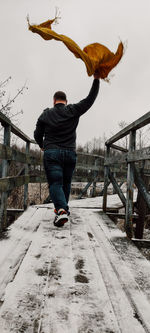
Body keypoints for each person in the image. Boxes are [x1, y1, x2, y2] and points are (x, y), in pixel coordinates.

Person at [34, 74, 100, 227]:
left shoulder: (45, 114)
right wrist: (96, 79)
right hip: (70, 153)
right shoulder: (73, 110)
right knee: (66, 183)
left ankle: (62, 210)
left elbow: (37, 134)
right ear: (66, 101)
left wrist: (41, 145)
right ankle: (63, 210)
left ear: (54, 101)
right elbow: (90, 99)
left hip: (52, 153)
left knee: (55, 183)